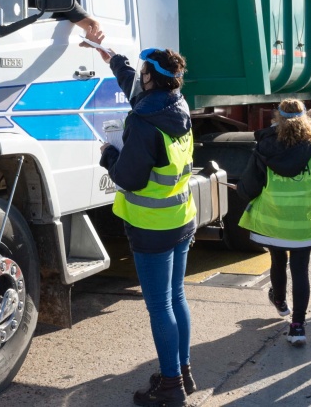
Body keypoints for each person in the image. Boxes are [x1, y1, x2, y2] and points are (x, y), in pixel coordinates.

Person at [97, 46, 196, 407]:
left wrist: (109, 155)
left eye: (142, 71)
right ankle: (183, 371)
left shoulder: (143, 120)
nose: (138, 76)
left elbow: (130, 178)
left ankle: (170, 385)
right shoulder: (178, 104)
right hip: (182, 217)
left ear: (151, 76)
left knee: (159, 307)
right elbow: (133, 86)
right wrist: (112, 57)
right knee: (176, 297)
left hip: (152, 226)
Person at [235, 99, 311, 346]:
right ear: (305, 120)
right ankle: (298, 326)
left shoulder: (264, 149)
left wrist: (241, 190)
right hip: (303, 223)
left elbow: (248, 187)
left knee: (277, 260)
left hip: (273, 221)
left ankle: (280, 302)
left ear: (277, 119)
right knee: (300, 271)